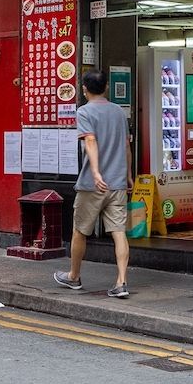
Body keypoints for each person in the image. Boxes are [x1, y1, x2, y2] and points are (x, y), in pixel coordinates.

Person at [56, 72, 133, 299]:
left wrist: (96, 172)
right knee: (119, 232)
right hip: (118, 182)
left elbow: (90, 140)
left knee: (79, 230)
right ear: (106, 87)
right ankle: (121, 281)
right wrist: (128, 174)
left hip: (93, 184)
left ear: (83, 88)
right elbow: (127, 147)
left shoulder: (85, 111)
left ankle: (73, 276)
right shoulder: (119, 112)